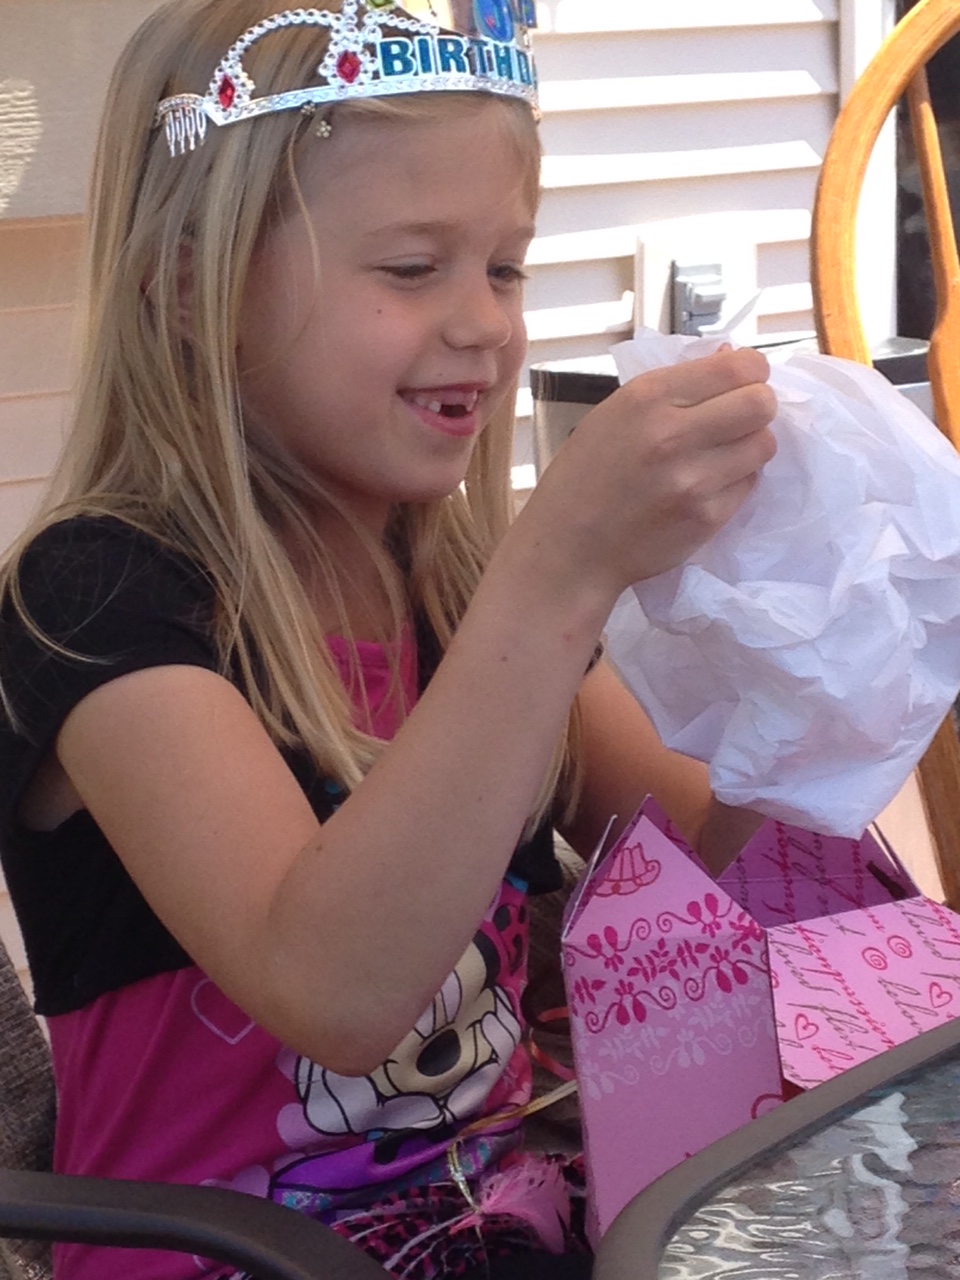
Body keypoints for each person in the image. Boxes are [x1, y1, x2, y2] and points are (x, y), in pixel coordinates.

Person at [0, 2, 777, 1277]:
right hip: (232, 1254)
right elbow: (335, 989)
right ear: (192, 289)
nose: (485, 323)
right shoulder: (98, 598)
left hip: (506, 1219)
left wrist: (804, 645)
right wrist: (558, 573)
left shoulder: (455, 582)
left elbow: (694, 851)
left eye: (505, 267)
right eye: (414, 269)